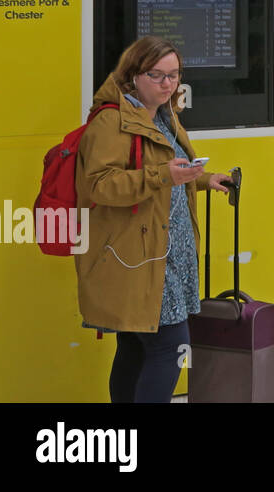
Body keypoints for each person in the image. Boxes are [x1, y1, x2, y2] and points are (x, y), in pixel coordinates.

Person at [75, 35, 230, 403]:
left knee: (135, 346)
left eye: (174, 75)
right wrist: (164, 176)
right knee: (170, 348)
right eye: (157, 75)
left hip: (166, 254)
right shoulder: (112, 121)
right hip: (137, 257)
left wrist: (205, 178)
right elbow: (100, 185)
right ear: (132, 75)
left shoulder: (163, 116)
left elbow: (167, 172)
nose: (168, 84)